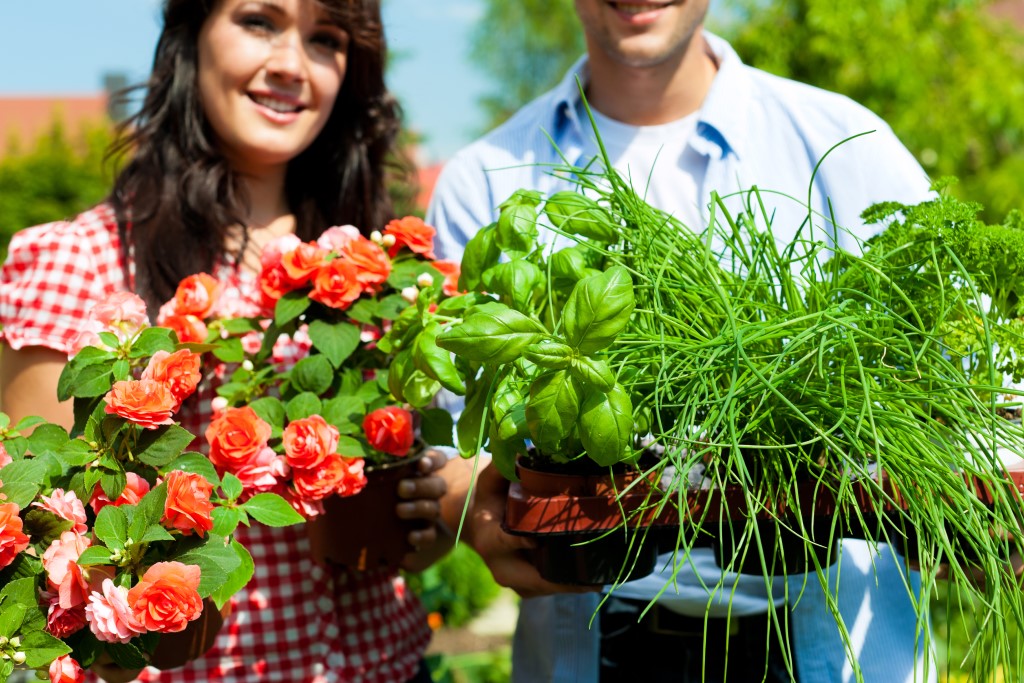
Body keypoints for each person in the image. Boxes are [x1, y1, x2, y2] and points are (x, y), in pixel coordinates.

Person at [428, 1, 936, 681]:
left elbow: (966, 380)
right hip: (590, 639)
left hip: (835, 645)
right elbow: (450, 440)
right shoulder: (483, 176)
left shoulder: (847, 146)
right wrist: (475, 509)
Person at [0, 1, 450, 681]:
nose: (291, 65)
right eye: (259, 21)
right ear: (191, 35)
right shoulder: (82, 261)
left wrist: (420, 521)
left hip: (385, 664)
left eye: (325, 39)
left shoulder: (368, 267)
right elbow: (45, 543)